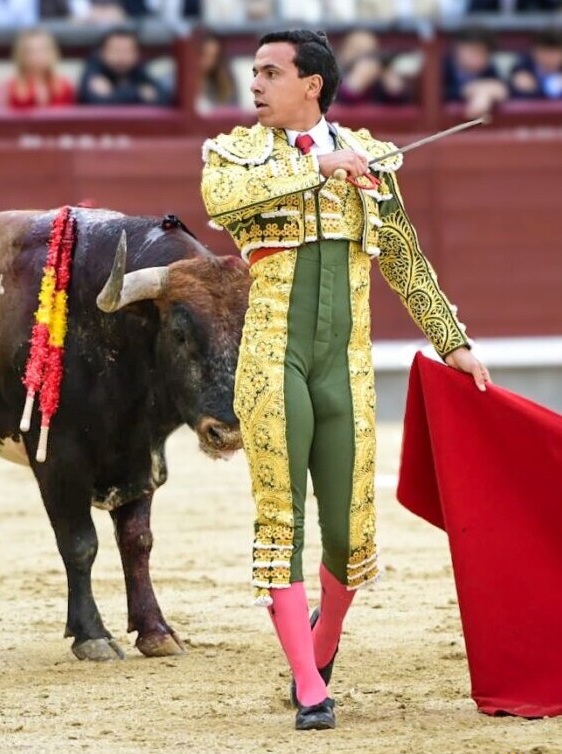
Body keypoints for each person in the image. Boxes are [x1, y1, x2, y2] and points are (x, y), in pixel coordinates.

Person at [200, 29, 488, 731]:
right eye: (255, 72)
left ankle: (320, 646)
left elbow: (407, 263)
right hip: (273, 360)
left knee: (350, 533)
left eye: (272, 73)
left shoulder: (371, 160)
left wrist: (455, 344)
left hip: (346, 366)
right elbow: (221, 202)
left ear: (313, 85)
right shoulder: (235, 153)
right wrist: (320, 165)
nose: (257, 84)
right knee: (280, 520)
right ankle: (308, 687)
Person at [77, 28, 170, 106]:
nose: (121, 57)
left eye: (127, 51)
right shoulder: (95, 69)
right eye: (116, 51)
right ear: (102, 53)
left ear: (137, 54)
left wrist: (115, 94)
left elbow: (163, 97)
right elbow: (94, 101)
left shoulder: (138, 70)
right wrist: (139, 93)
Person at [443, 29, 508, 119]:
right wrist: (470, 91)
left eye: (484, 53)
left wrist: (486, 93)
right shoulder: (439, 68)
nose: (478, 57)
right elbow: (438, 93)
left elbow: (504, 88)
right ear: (457, 48)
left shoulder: (489, 69)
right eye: (473, 50)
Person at [6, 28, 75, 110]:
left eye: (42, 50)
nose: (37, 56)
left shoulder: (64, 86)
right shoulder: (12, 88)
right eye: (31, 51)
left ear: (52, 52)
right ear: (22, 55)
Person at [510, 31, 562, 100]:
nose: (550, 58)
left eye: (555, 53)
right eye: (545, 52)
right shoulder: (522, 70)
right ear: (534, 52)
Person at [198, 31, 238, 111]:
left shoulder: (225, 82)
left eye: (213, 57)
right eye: (204, 55)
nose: (208, 62)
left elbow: (233, 114)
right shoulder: (172, 84)